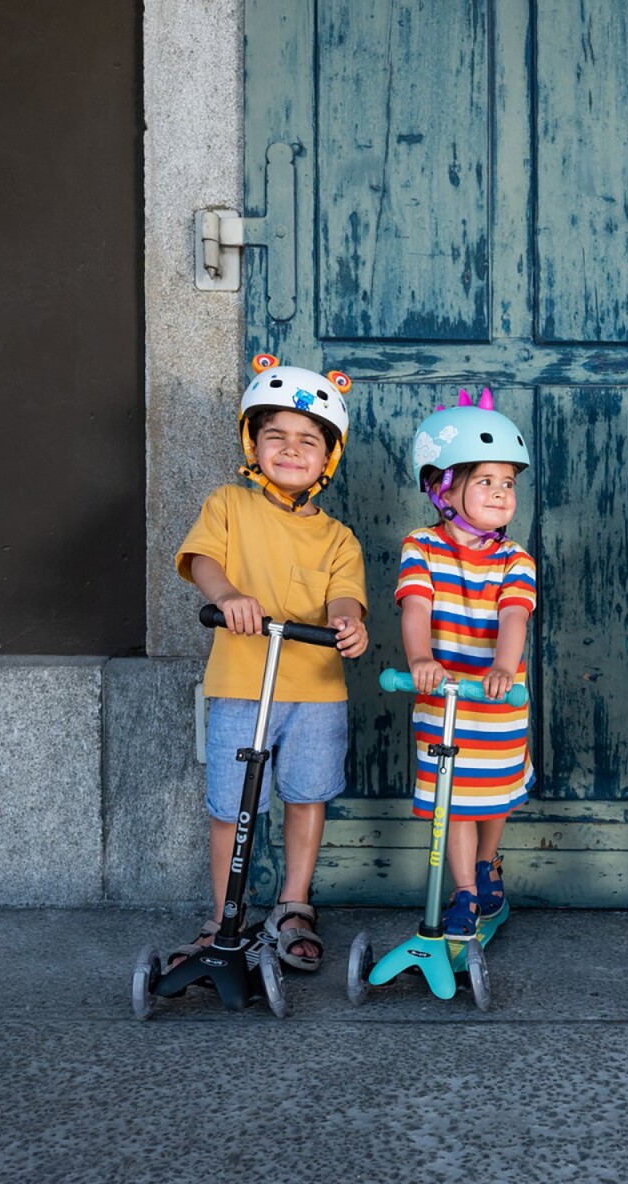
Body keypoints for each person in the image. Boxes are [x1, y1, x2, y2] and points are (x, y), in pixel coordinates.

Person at [172, 353, 369, 973]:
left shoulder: (338, 537)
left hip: (316, 691)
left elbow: (345, 593)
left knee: (306, 796)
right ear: (252, 444)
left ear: (327, 458)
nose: (290, 449)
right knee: (231, 805)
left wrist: (349, 622)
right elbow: (203, 559)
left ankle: (293, 904)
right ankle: (225, 913)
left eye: (307, 440)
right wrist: (226, 596)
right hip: (240, 684)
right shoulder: (228, 505)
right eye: (275, 435)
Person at [396, 386, 536, 937]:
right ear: (443, 489)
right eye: (485, 481)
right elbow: (415, 607)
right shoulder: (421, 546)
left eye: (508, 483)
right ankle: (465, 891)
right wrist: (420, 658)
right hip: (443, 694)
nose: (502, 493)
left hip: (498, 702)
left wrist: (503, 666)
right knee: (451, 798)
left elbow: (514, 618)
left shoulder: (515, 558)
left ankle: (488, 862)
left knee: (495, 790)